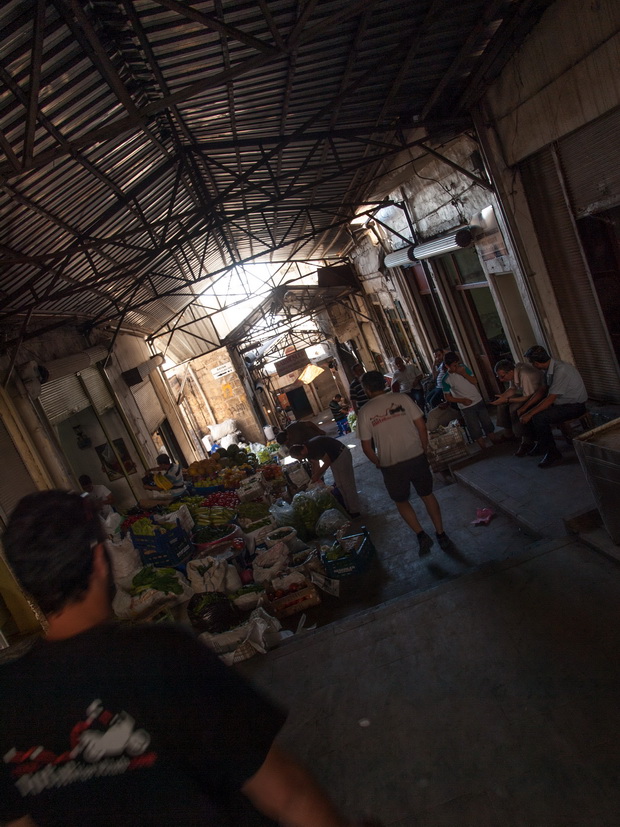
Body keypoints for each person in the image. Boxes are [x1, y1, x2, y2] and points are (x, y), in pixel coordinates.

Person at [0, 490, 371, 827]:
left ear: (26, 582)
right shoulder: (162, 657)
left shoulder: (7, 699)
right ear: (100, 560)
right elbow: (287, 794)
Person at [358, 371, 453, 555]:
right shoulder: (402, 398)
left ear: (367, 389)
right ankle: (441, 534)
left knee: (401, 501)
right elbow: (421, 426)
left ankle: (421, 535)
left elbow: (366, 448)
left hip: (391, 465)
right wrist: (423, 448)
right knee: (427, 495)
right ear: (383, 383)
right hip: (416, 456)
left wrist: (379, 462)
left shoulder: (365, 412)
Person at [518, 345, 588, 468]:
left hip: (575, 406)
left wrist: (529, 414)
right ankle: (542, 443)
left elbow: (550, 399)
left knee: (538, 417)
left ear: (536, 363)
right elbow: (542, 391)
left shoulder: (560, 370)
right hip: (563, 404)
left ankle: (553, 453)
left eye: (532, 362)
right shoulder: (549, 368)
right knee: (529, 411)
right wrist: (525, 408)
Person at [441, 352, 501, 449]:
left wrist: (464, 373)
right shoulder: (446, 379)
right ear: (447, 366)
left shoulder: (463, 368)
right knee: (474, 429)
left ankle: (495, 441)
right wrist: (462, 400)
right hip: (466, 407)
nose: (456, 367)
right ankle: (484, 447)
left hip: (478, 400)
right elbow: (447, 397)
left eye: (457, 364)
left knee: (487, 423)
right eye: (453, 366)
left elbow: (474, 381)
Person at [289, 437, 360, 517]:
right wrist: (314, 477)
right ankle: (348, 508)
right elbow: (315, 464)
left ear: (301, 452)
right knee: (340, 485)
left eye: (298, 457)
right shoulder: (306, 450)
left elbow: (327, 462)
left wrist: (317, 475)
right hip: (334, 459)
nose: (300, 460)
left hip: (341, 455)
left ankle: (355, 510)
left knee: (347, 484)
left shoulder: (314, 447)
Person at [490, 359, 544, 454]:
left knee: (514, 408)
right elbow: (512, 389)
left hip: (537, 395)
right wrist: (502, 397)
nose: (501, 380)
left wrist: (507, 399)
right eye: (498, 377)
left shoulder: (524, 375)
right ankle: (509, 434)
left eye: (502, 376)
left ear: (510, 371)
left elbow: (527, 397)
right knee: (502, 405)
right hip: (527, 393)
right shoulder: (514, 371)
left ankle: (525, 440)